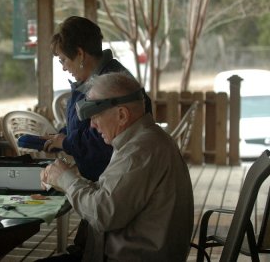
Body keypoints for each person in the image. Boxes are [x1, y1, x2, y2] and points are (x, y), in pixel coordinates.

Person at [40, 73, 194, 262]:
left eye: (95, 115)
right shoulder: (145, 139)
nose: (92, 125)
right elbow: (114, 193)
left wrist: (65, 179)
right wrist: (67, 177)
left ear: (121, 115)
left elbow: (102, 214)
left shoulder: (139, 151)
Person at [43, 16, 152, 182]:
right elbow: (83, 125)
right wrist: (61, 136)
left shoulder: (111, 86)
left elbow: (104, 142)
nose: (64, 68)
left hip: (115, 180)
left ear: (80, 54)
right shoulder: (89, 81)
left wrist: (66, 142)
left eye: (64, 60)